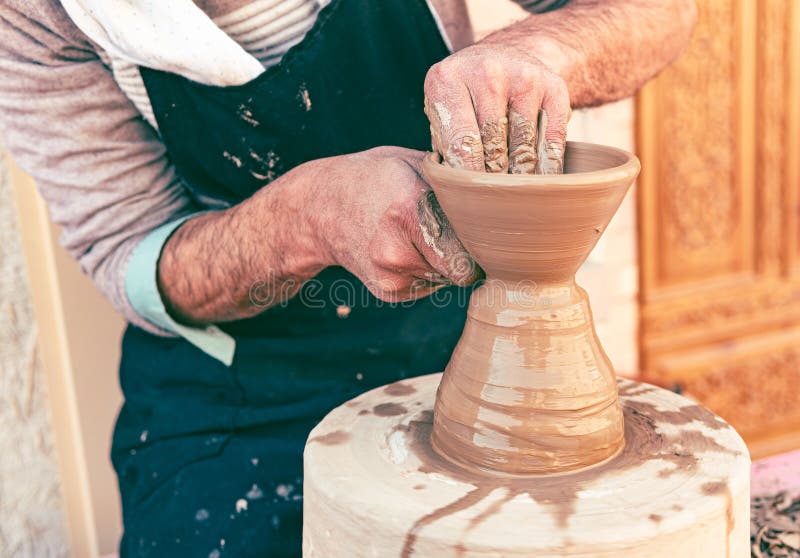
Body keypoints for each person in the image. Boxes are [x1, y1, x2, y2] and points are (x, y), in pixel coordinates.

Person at [0, 0, 696, 555]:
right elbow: (131, 251)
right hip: (239, 389)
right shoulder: (38, 13)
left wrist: (543, 49)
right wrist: (306, 220)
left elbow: (663, 11)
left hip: (457, 350)